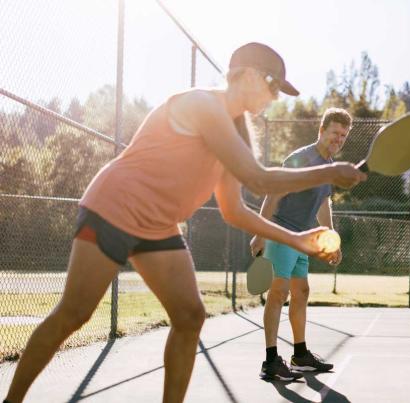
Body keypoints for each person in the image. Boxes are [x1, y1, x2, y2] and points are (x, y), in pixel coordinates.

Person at [3, 42, 366, 403]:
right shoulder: (204, 105)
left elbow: (233, 210)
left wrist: (298, 239)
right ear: (251, 75)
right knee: (74, 313)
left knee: (190, 316)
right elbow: (259, 179)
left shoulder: (238, 131)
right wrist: (331, 171)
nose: (274, 97)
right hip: (115, 206)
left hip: (158, 225)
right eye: (273, 86)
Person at [250, 107, 352, 381]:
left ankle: (300, 355)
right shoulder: (301, 158)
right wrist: (260, 231)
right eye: (334, 133)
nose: (338, 139)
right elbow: (273, 193)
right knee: (278, 292)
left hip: (304, 237)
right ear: (321, 130)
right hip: (283, 233)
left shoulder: (330, 168)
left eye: (343, 135)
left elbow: (322, 203)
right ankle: (270, 361)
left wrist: (330, 239)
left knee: (302, 292)